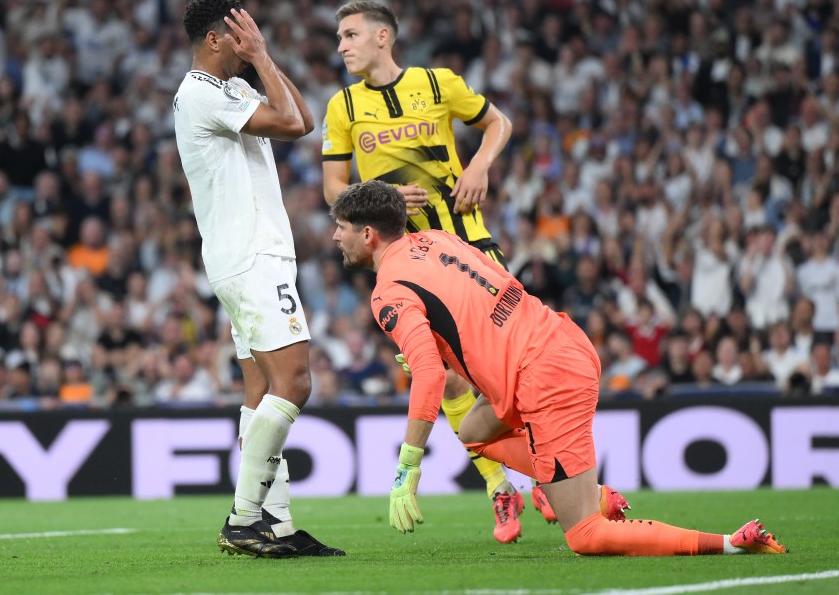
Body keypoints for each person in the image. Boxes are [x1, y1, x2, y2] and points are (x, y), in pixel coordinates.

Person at [330, 180, 787, 556]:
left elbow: (428, 376)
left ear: (368, 234)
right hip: (560, 339)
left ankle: (732, 544)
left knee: (586, 537)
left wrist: (406, 469)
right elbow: (472, 318)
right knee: (473, 430)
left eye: (342, 227)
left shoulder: (388, 290)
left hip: (543, 376)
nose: (335, 237)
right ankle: (592, 492)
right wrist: (439, 351)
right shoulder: (439, 240)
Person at [321, 0, 568, 543]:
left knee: (511, 363)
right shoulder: (342, 106)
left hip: (468, 242)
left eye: (350, 34)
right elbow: (332, 191)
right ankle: (499, 487)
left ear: (384, 36)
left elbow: (497, 123)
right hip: (409, 260)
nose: (341, 46)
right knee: (445, 373)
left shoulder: (438, 85)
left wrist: (479, 163)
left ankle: (544, 468)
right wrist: (382, 197)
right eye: (339, 37)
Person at [173, 0, 342, 558]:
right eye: (238, 33)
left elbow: (306, 117)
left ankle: (277, 522)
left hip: (247, 254)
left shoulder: (234, 89)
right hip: (251, 256)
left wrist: (263, 60)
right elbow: (293, 126)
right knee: (295, 381)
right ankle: (244, 519)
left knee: (261, 388)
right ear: (215, 39)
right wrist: (263, 57)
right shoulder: (199, 92)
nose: (249, 40)